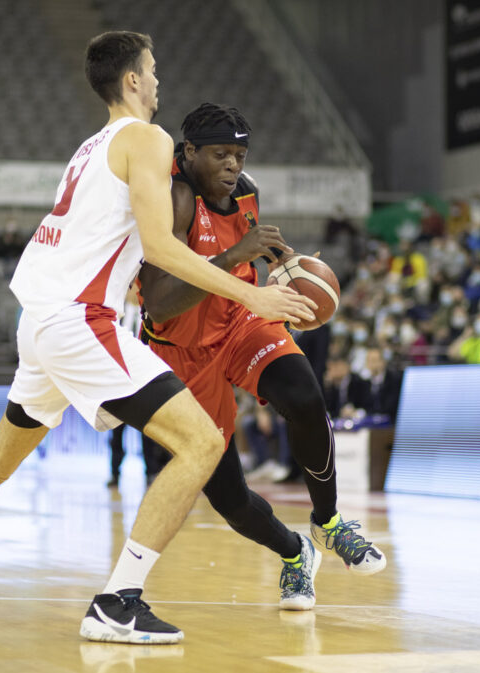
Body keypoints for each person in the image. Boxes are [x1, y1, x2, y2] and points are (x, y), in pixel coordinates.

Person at [0, 32, 314, 645]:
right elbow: (162, 247)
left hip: (38, 322)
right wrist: (253, 294)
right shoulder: (147, 138)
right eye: (152, 70)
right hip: (76, 320)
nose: (159, 80)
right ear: (132, 81)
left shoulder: (89, 148)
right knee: (200, 442)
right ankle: (119, 602)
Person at [136, 103, 385, 610]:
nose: (232, 164)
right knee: (229, 500)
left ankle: (329, 522)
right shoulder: (176, 200)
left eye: (240, 154)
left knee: (304, 394)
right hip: (181, 350)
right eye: (220, 154)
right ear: (189, 152)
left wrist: (288, 265)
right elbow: (160, 306)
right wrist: (233, 256)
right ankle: (295, 554)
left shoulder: (245, 191)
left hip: (241, 318)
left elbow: (252, 248)